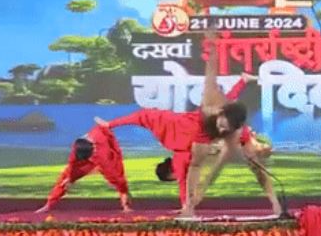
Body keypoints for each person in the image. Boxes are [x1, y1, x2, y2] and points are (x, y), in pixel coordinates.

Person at [96, 59, 251, 213]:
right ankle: (186, 205)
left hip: (182, 134)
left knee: (148, 119)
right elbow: (183, 179)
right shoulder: (199, 125)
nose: (223, 129)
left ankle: (186, 205)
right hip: (176, 131)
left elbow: (228, 105)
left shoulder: (210, 125)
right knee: (145, 117)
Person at [187, 128, 282, 216]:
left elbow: (261, 175)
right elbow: (214, 172)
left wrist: (275, 202)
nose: (259, 151)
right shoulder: (241, 136)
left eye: (261, 152)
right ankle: (189, 205)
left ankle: (190, 204)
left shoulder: (243, 143)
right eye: (261, 147)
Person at [36, 125, 131, 213]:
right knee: (64, 180)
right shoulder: (77, 148)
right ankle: (49, 205)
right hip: (86, 162)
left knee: (119, 181)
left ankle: (125, 205)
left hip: (104, 160)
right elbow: (72, 165)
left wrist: (117, 154)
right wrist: (69, 178)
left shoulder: (102, 147)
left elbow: (111, 138)